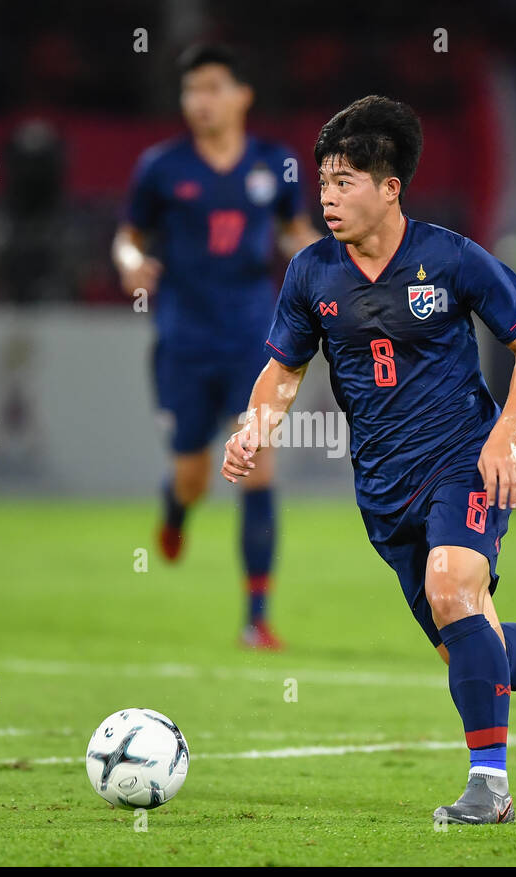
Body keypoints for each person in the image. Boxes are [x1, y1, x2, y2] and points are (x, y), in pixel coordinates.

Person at [222, 95, 516, 824]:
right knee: (479, 653)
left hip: (463, 462)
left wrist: (502, 437)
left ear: (389, 188)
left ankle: (489, 788)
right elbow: (283, 372)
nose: (328, 197)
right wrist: (253, 428)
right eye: (323, 182)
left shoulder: (450, 258)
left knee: (452, 589)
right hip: (382, 489)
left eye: (345, 182)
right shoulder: (312, 274)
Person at [112, 44, 319, 650]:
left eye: (211, 88)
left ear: (241, 95)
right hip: (183, 339)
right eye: (190, 91)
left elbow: (293, 229)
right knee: (194, 476)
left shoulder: (275, 164)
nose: (199, 101)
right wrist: (129, 262)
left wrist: (325, 260)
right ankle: (175, 510)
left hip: (257, 338)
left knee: (255, 465)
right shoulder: (161, 167)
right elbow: (129, 235)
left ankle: (256, 618)